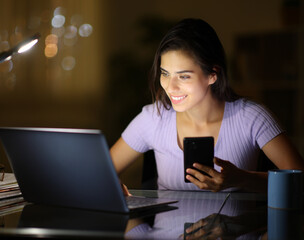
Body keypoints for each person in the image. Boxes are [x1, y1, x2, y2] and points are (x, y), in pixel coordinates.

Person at [109, 18, 304, 193]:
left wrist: (244, 179)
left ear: (212, 74)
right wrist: (111, 187)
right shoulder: (153, 118)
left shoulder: (251, 117)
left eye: (184, 76)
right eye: (165, 73)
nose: (170, 86)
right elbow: (101, 173)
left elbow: (299, 180)